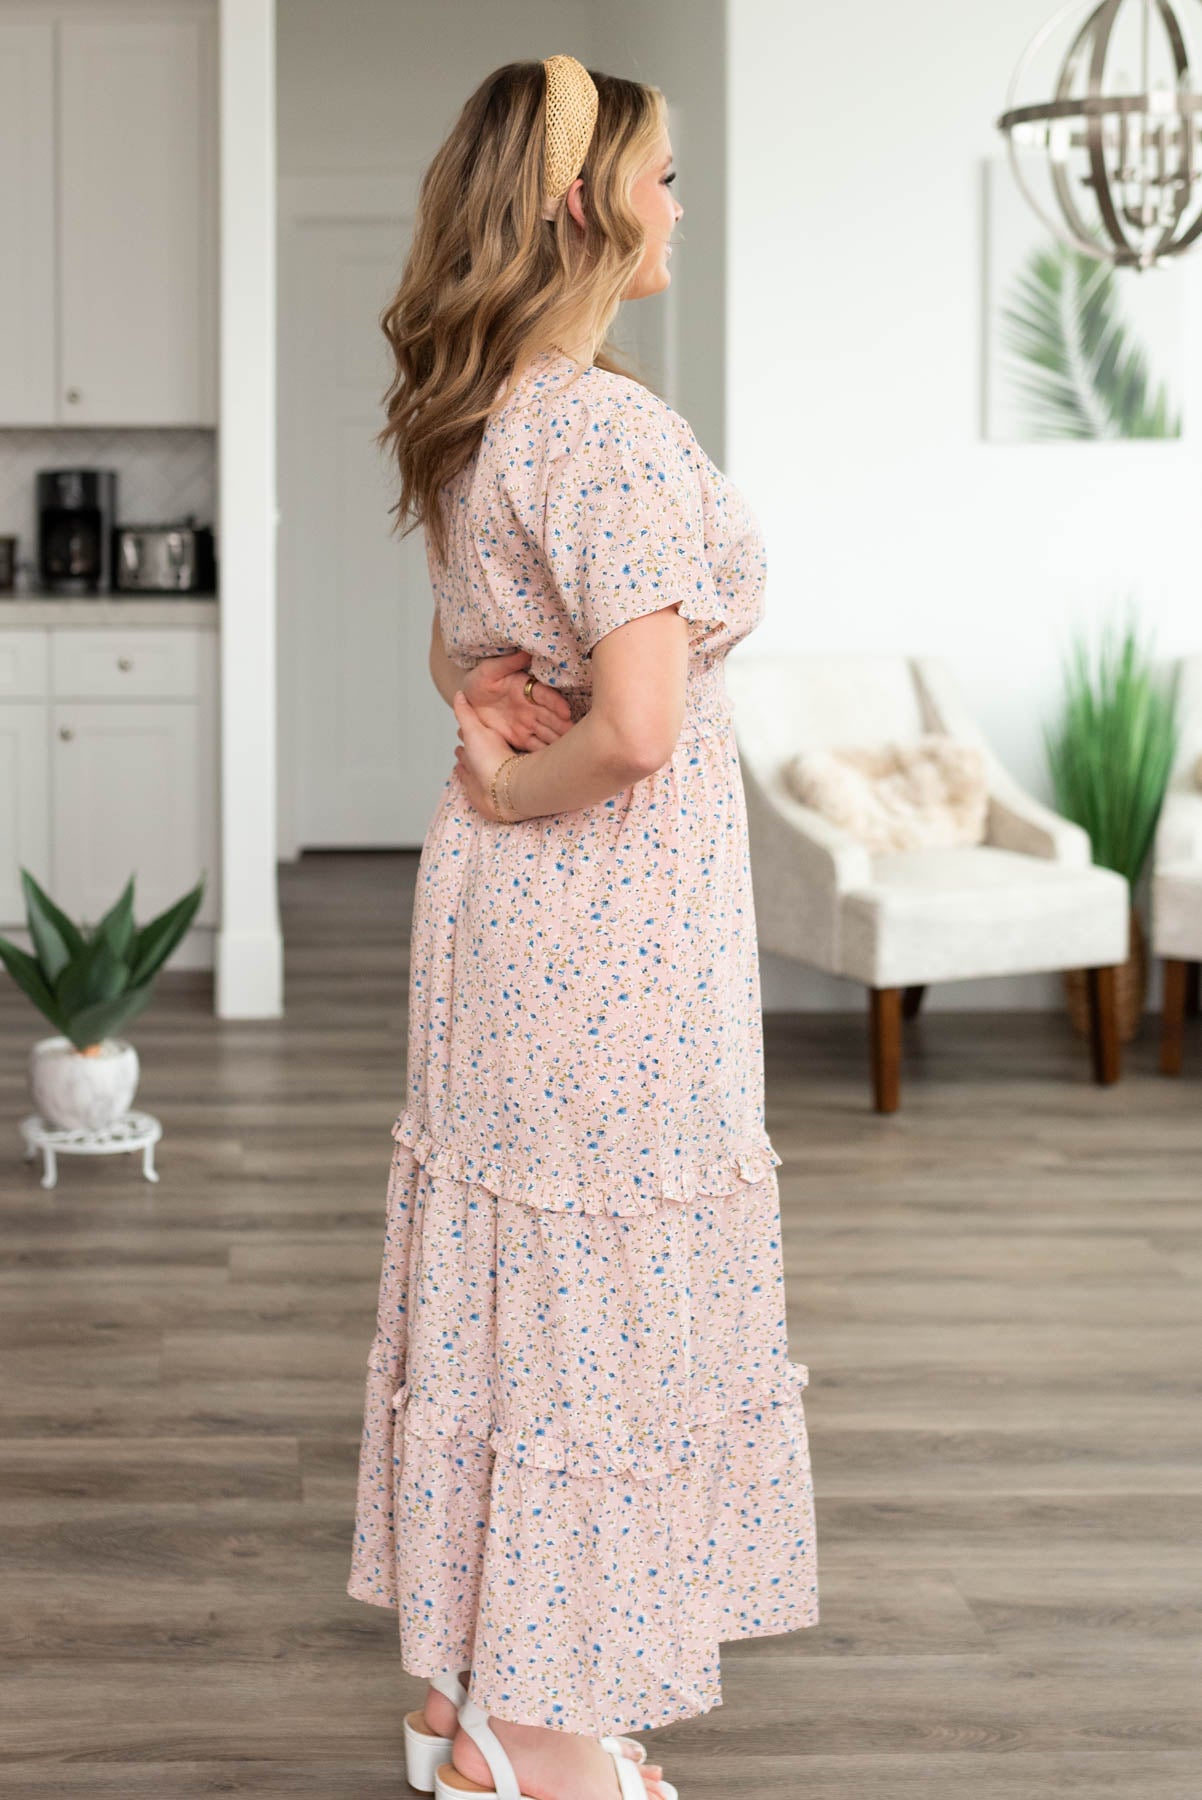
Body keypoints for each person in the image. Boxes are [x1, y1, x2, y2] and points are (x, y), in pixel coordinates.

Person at [348, 52, 818, 1800]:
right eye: (664, 175)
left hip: (512, 934)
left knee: (516, 1290)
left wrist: (477, 730)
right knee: (595, 1304)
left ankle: (468, 1685)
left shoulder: (495, 415)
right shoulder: (608, 427)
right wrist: (504, 784)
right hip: (605, 928)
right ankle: (528, 1733)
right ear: (582, 201)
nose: (678, 202)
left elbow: (470, 649)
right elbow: (631, 726)